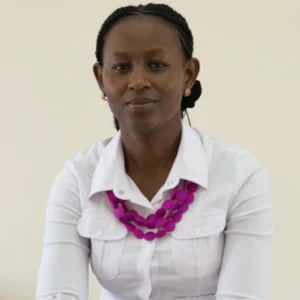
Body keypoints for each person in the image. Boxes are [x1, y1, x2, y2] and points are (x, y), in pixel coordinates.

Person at [36, 3, 273, 300]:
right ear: (101, 79)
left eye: (156, 65)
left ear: (188, 74)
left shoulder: (239, 175)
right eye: (121, 67)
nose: (137, 82)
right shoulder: (77, 179)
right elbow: (58, 294)